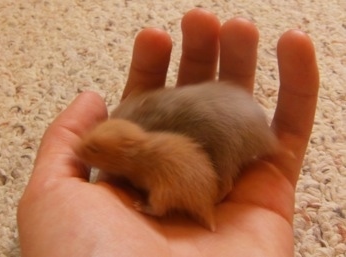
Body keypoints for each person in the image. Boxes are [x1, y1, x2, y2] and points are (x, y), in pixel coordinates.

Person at [17, 8, 319, 257]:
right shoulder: (151, 129)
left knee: (221, 146)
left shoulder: (160, 136)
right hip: (230, 115)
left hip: (235, 126)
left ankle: (221, 187)